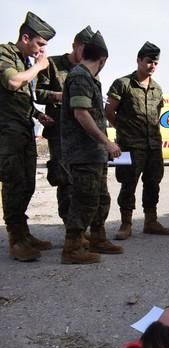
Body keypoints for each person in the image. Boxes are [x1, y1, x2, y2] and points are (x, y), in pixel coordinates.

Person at [60, 31, 123, 264]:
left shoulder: (89, 77)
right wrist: (106, 142)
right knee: (84, 198)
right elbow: (81, 113)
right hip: (83, 152)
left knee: (99, 197)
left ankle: (97, 237)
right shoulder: (80, 77)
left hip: (94, 153)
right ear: (103, 60)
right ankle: (72, 247)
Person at [0, 12, 55, 262]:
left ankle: (24, 233)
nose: (42, 50)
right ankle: (16, 240)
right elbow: (12, 83)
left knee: (28, 184)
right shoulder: (6, 54)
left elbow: (20, 98)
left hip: (23, 128)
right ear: (25, 37)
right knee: (14, 183)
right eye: (40, 44)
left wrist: (37, 114)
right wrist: (39, 67)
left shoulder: (24, 61)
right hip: (6, 132)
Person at [105, 41, 169, 240]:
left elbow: (156, 115)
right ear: (139, 60)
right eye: (149, 61)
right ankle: (126, 224)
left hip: (153, 146)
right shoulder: (122, 84)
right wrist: (124, 130)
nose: (152, 66)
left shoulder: (157, 89)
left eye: (156, 63)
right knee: (128, 184)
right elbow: (109, 111)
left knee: (153, 183)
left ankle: (151, 221)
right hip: (129, 146)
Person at [35, 26, 94, 224]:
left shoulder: (90, 69)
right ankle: (70, 225)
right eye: (84, 49)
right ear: (75, 46)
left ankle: (79, 225)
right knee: (65, 179)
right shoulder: (53, 64)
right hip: (59, 132)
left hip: (82, 132)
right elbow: (39, 94)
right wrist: (61, 96)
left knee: (82, 179)